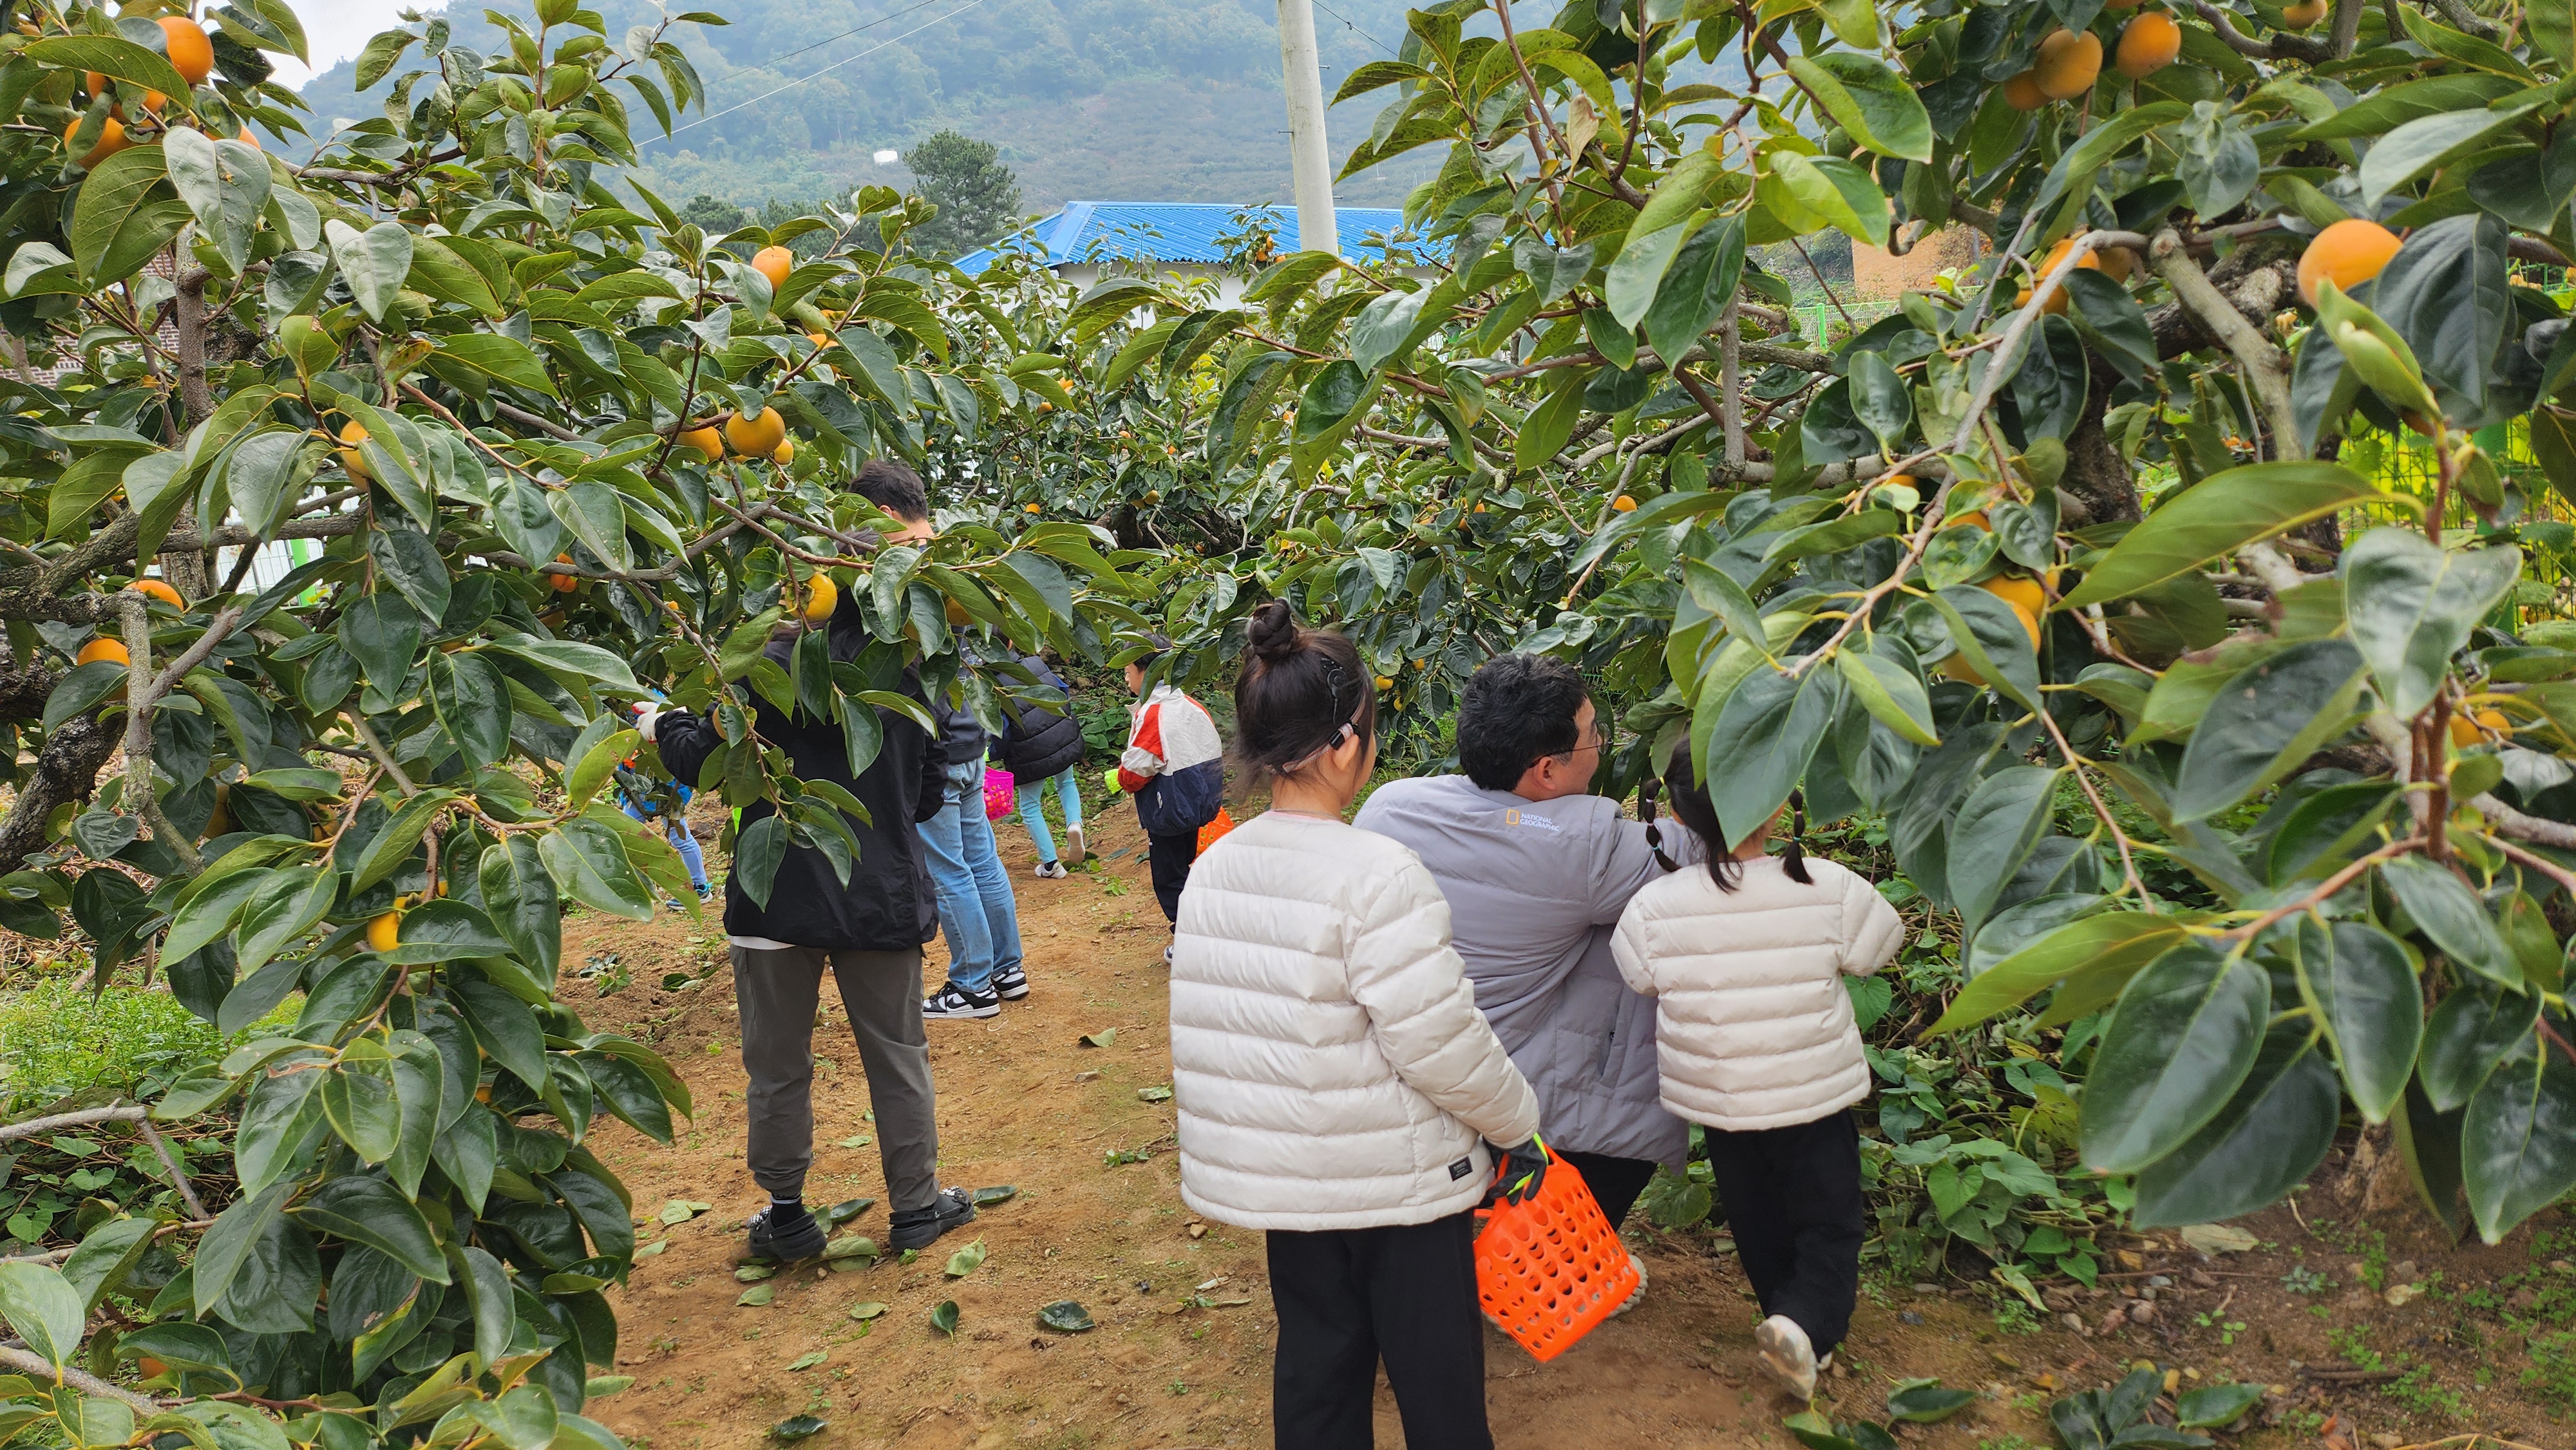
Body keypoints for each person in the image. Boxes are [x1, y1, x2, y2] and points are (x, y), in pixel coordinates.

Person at [1170, 599, 1547, 1450]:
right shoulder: (1377, 872)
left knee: (1317, 1372)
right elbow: (1439, 1041)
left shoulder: (1218, 863)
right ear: (1345, 744)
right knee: (1438, 1385)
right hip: (1397, 1189)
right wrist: (1517, 1123)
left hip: (1290, 1185)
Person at [639, 458, 979, 1263]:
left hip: (774, 894)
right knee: (897, 1056)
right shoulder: (913, 658)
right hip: (881, 894)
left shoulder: (767, 652)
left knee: (778, 1064)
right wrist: (886, 814)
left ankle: (786, 1215)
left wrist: (660, 724)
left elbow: (706, 755)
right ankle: (916, 1208)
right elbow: (933, 781)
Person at [1353, 653, 1690, 1245]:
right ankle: (1552, 1241)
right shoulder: (1586, 844)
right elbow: (1709, 857)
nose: (1602, 745)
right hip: (1511, 1092)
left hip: (1398, 1077)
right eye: (1593, 739)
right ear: (1546, 773)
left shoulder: (1390, 807)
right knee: (1634, 936)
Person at [1611, 745, 1902, 1402]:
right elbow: (1881, 944)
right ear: (1777, 803)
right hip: (1812, 1094)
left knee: (1756, 1217)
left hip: (1720, 1101)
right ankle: (1803, 1323)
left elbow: (1637, 974)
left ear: (1680, 818)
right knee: (1828, 1218)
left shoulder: (1657, 906)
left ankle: (1790, 1318)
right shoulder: (1823, 885)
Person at [916, 688, 1027, 1018]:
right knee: (983, 863)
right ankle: (1007, 971)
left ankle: (972, 986)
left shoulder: (906, 637)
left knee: (949, 871)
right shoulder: (962, 636)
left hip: (939, 756)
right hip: (972, 747)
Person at [1110, 633, 1222, 946]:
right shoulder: (1191, 704)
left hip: (1168, 809)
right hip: (1197, 802)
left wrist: (1120, 777)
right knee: (1185, 866)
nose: (1126, 677)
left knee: (1169, 877)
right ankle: (1205, 925)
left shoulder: (1154, 713)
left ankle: (1190, 939)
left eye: (1128, 670)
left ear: (1144, 670)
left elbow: (1135, 770)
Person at [996, 650, 1087, 878]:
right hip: (1060, 734)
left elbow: (1003, 728)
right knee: (1067, 782)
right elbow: (1063, 691)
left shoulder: (994, 682)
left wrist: (995, 753)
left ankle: (1051, 865)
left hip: (1029, 749)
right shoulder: (1035, 664)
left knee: (1029, 806)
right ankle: (1075, 825)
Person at [612, 758, 714, 909]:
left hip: (668, 791)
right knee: (623, 838)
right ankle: (629, 893)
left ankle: (699, 888)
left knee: (680, 839)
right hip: (636, 792)